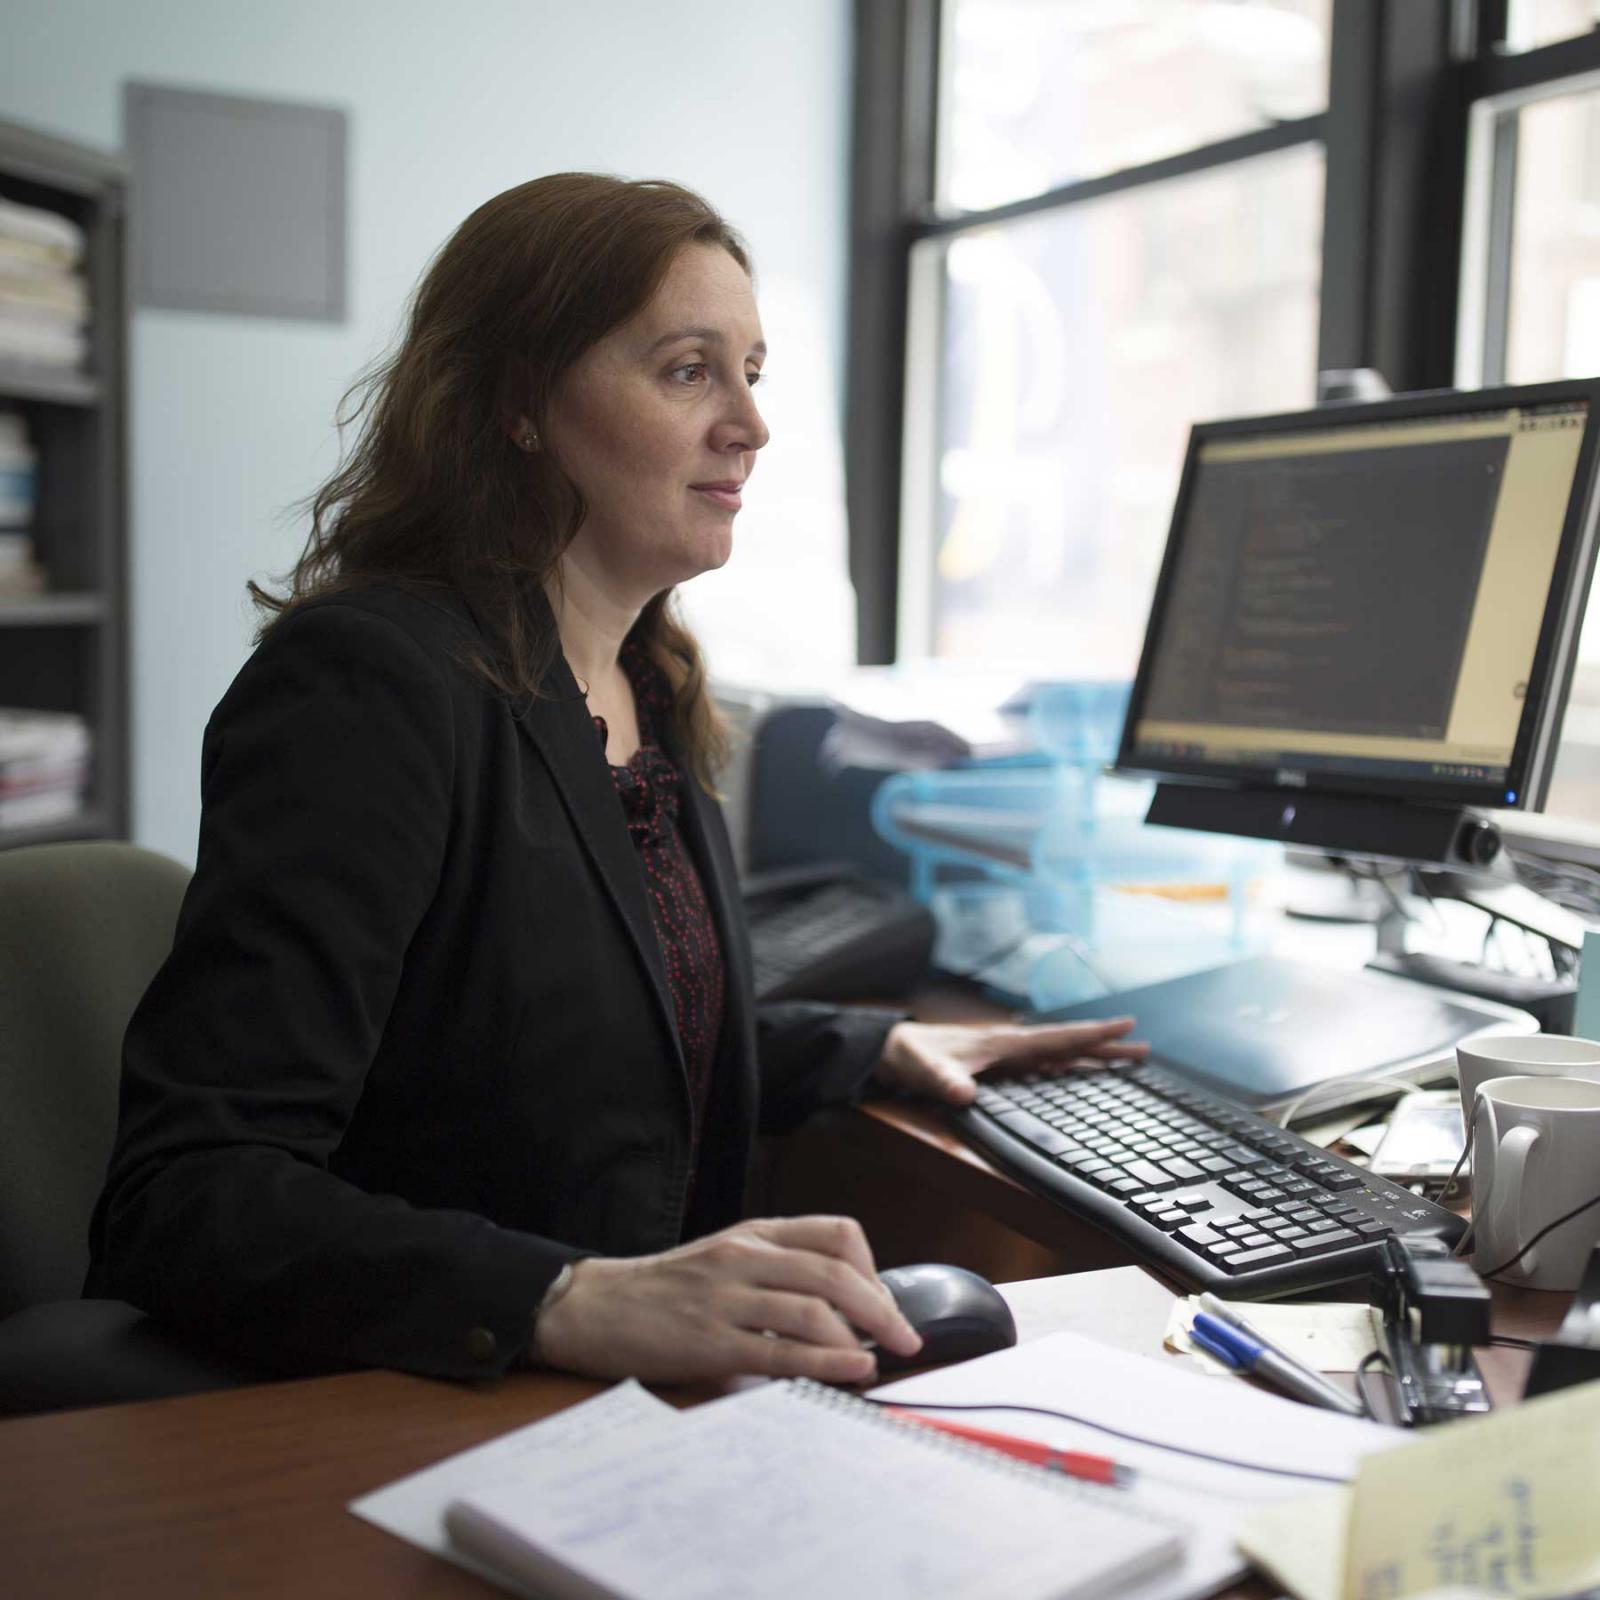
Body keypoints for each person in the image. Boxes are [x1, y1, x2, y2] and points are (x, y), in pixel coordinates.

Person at [87, 174, 1147, 1389]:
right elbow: (186, 1194)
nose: (749, 423)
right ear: (521, 403)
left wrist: (875, 1045)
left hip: (616, 1408)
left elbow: (591, 1013)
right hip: (396, 1397)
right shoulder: (369, 685)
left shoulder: (642, 673)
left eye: (754, 370)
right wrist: (566, 1296)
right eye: (689, 369)